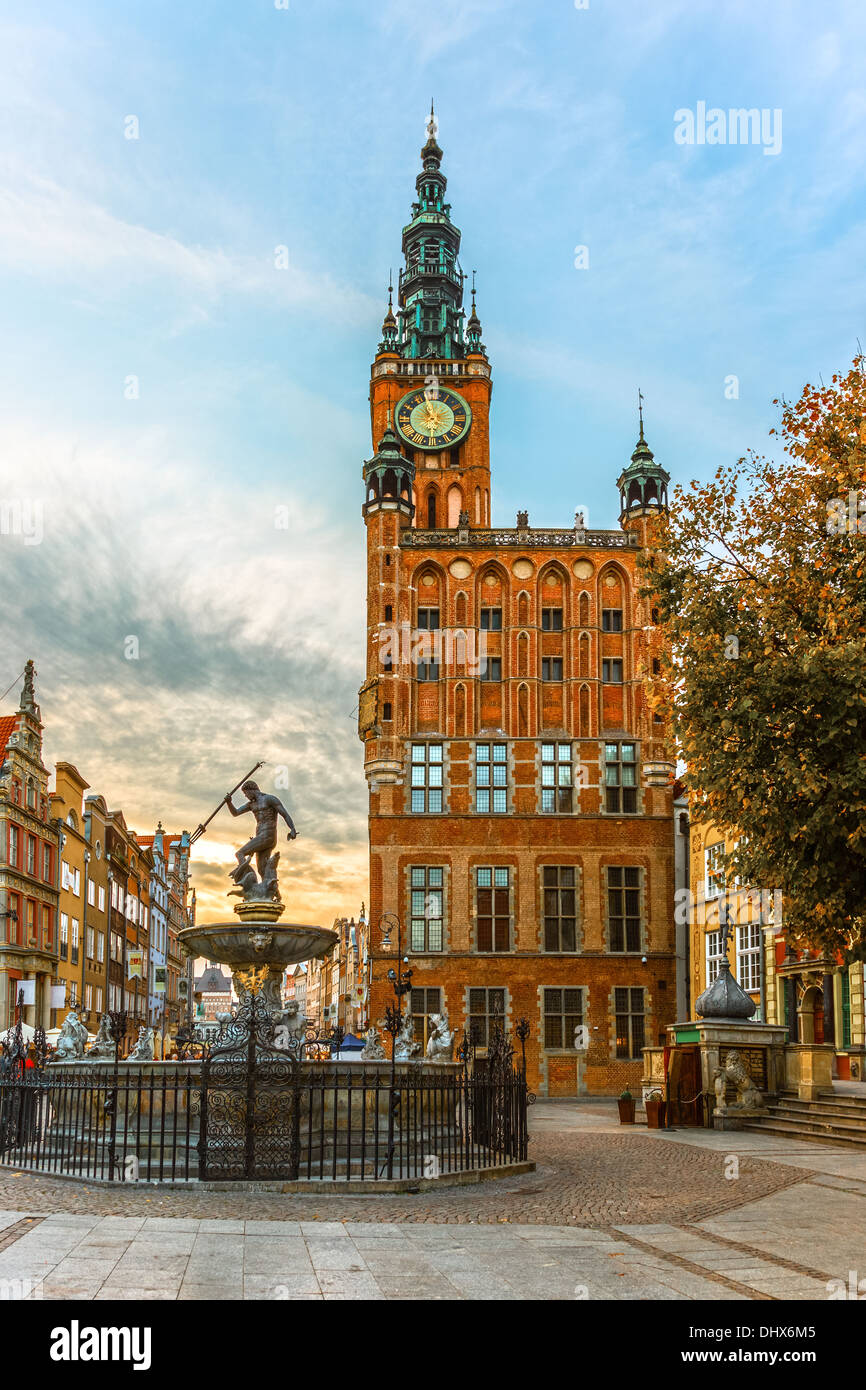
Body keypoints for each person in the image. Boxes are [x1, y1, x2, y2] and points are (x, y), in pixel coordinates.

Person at [225, 780, 297, 884]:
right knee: (262, 869)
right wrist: (229, 802)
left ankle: (247, 880)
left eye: (245, 793)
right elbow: (235, 813)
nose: (245, 796)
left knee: (240, 853)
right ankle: (268, 891)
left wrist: (292, 828)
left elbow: (284, 813)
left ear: (251, 790)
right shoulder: (251, 804)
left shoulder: (269, 799)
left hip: (268, 835)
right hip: (261, 836)